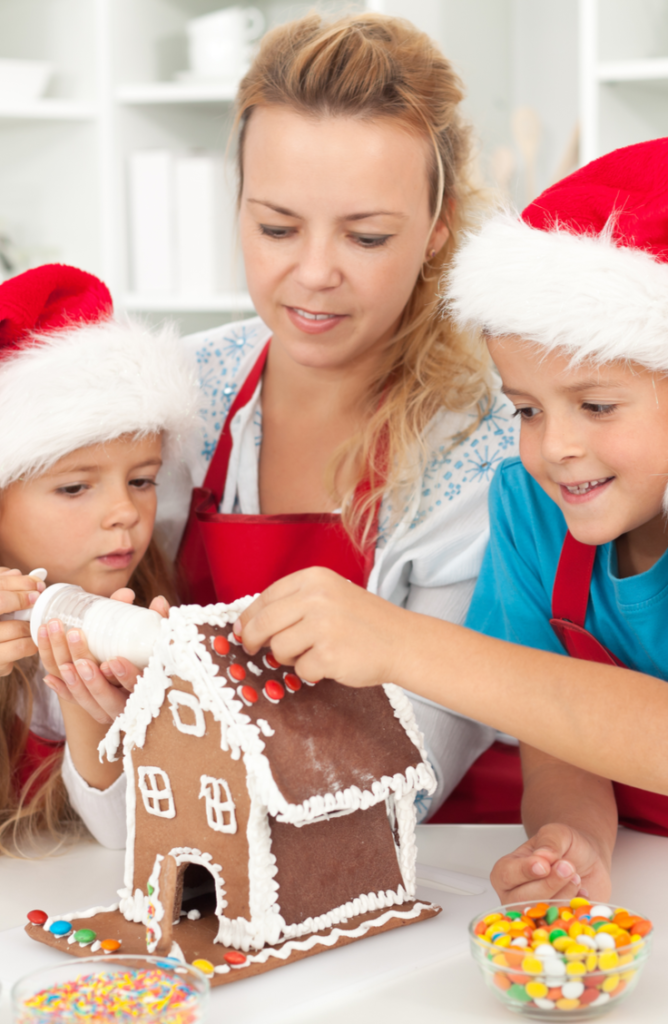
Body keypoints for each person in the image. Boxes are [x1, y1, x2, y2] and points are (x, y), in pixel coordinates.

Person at [236, 137, 668, 903]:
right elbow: (555, 734)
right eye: (527, 409)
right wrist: (573, 842)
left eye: (597, 406)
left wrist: (399, 642)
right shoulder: (533, 511)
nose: (557, 446)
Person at [171, 11, 518, 821]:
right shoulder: (182, 397)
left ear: (438, 230)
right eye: (276, 227)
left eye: (365, 237)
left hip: (433, 868)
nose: (314, 272)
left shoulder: (487, 441)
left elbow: (412, 768)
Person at [0, 263, 198, 852]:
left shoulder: (154, 619)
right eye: (74, 488)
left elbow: (129, 840)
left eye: (142, 480)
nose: (126, 513)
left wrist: (90, 712)